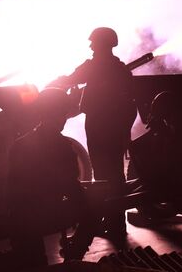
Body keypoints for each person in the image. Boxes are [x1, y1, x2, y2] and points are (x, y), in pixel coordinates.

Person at [54, 27, 136, 239]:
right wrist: (124, 130)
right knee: (115, 173)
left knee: (102, 173)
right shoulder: (120, 69)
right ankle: (116, 223)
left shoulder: (94, 66)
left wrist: (55, 82)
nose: (90, 46)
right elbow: (130, 105)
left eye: (93, 42)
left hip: (99, 124)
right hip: (115, 127)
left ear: (102, 44)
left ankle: (110, 221)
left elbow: (72, 78)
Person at [7, 88, 94, 266]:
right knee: (93, 211)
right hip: (47, 212)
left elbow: (12, 187)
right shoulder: (61, 146)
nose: (63, 119)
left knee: (33, 259)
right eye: (61, 113)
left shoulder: (20, 144)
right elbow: (69, 184)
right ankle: (73, 256)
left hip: (23, 217)